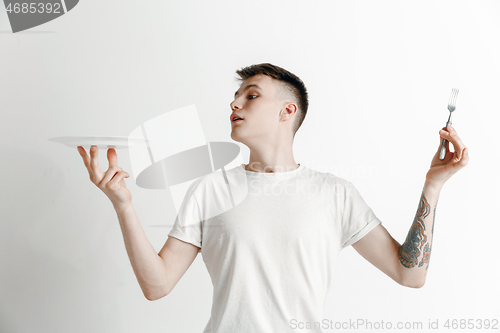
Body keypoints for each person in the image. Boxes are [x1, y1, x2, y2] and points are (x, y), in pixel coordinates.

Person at [77, 63, 469, 332]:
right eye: (236, 96)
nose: (234, 104)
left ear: (287, 110)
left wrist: (432, 187)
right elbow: (157, 286)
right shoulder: (210, 190)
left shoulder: (334, 194)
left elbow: (410, 274)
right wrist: (123, 205)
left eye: (250, 96)